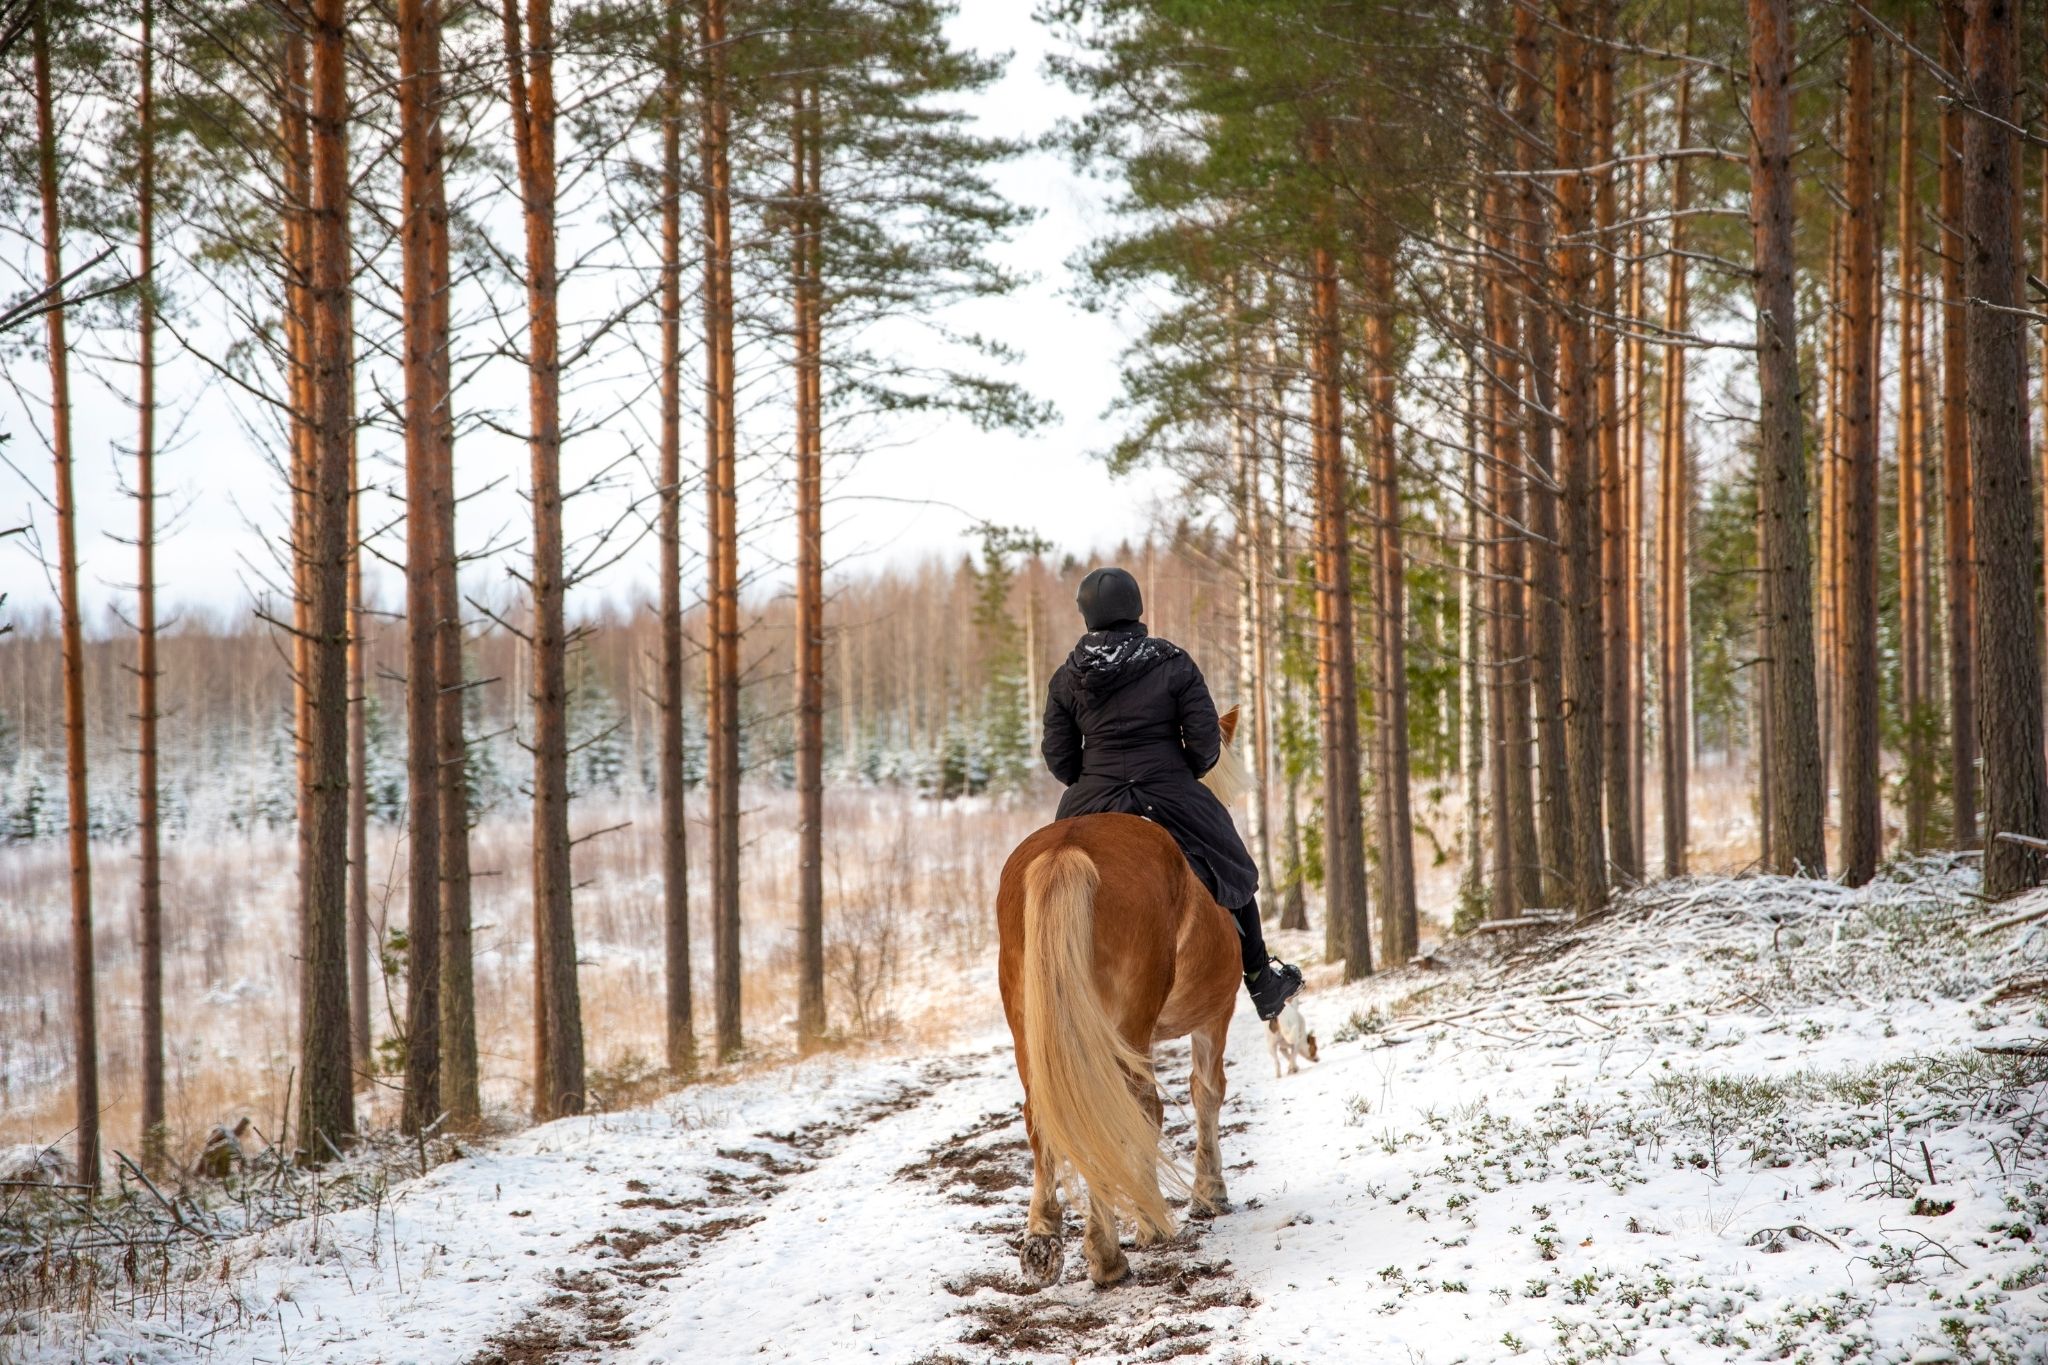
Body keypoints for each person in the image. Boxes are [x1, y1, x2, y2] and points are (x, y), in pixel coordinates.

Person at [1041, 565, 1304, 1021]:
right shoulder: (1172, 662)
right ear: (1135, 606)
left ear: (1087, 613)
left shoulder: (1067, 676)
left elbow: (1059, 758)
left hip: (1092, 796)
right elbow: (1205, 744)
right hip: (1168, 788)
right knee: (1233, 865)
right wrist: (1182, 773)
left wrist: (1093, 782)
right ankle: (1262, 980)